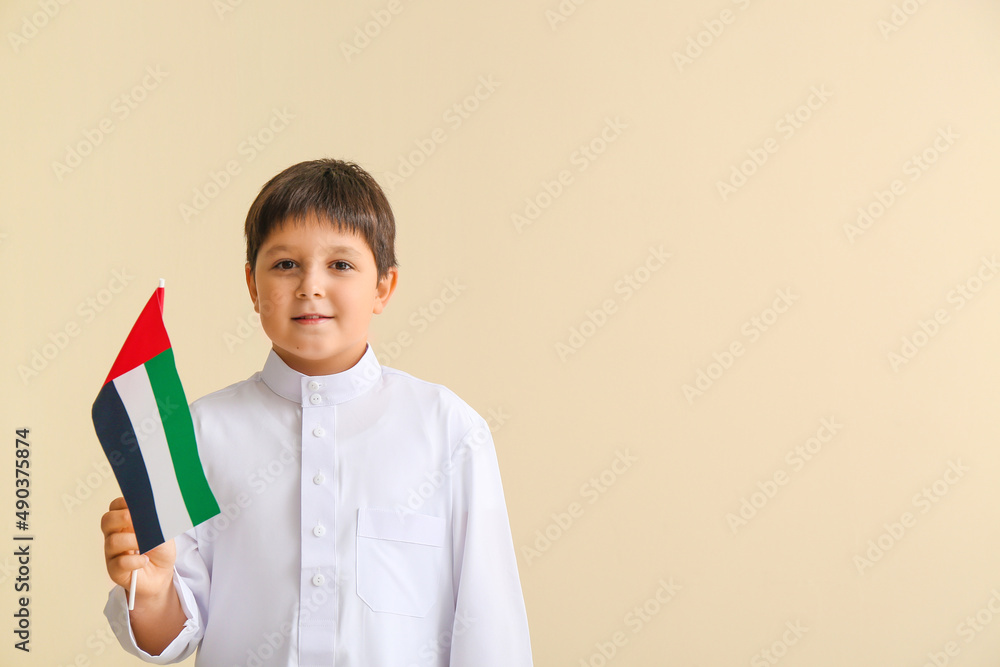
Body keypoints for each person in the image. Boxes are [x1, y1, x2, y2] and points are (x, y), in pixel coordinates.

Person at [100, 159, 533, 666]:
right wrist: (150, 590)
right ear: (252, 285)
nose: (310, 286)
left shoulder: (449, 430)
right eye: (285, 264)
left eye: (341, 265)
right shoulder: (197, 432)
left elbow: (489, 622)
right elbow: (174, 633)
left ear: (384, 287)